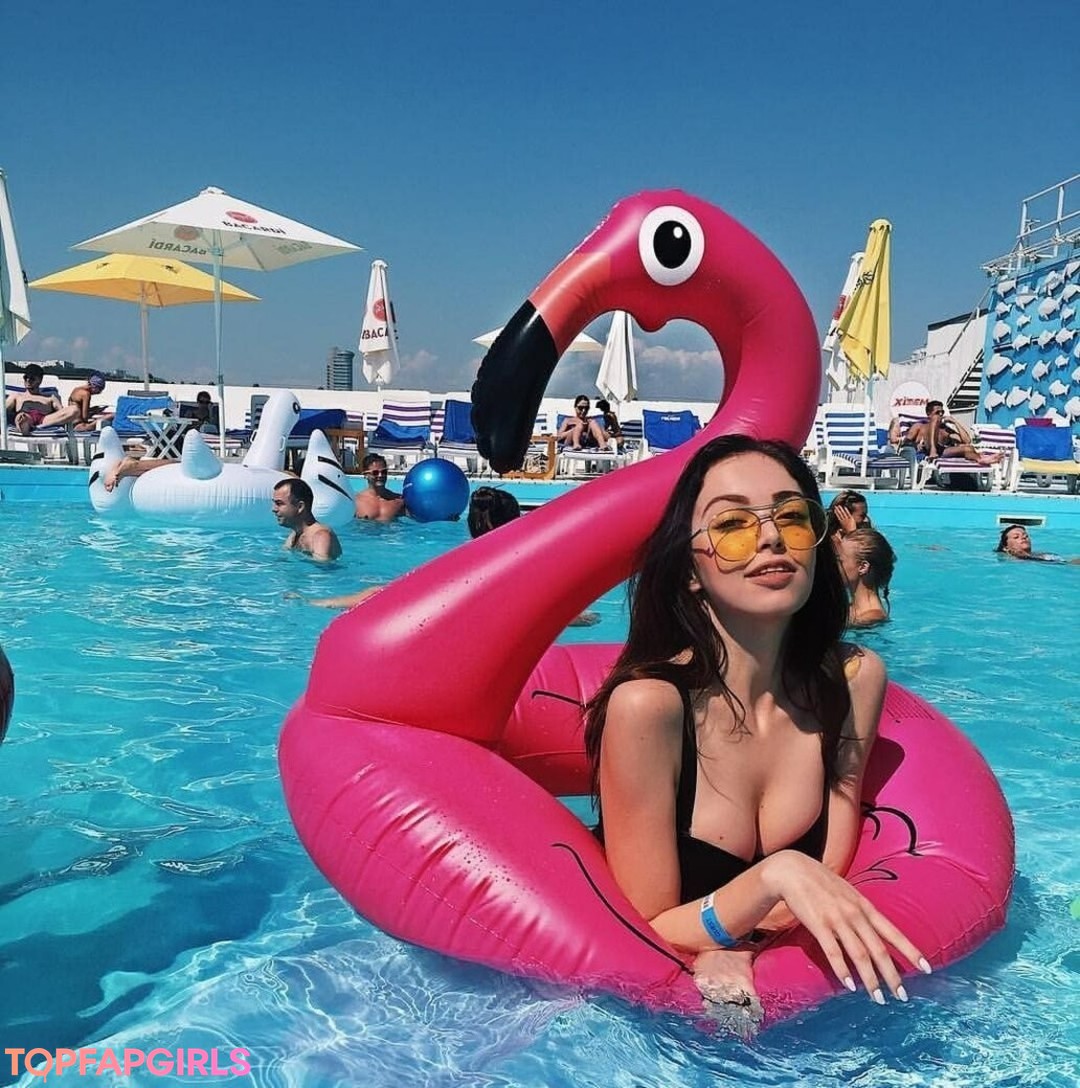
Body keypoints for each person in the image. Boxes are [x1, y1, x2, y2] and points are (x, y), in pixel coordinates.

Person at [583, 434, 929, 1025]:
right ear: (690, 570)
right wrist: (775, 876)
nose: (771, 537)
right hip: (636, 1022)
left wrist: (747, 941)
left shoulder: (854, 680)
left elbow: (834, 859)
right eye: (733, 525)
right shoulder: (649, 708)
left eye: (792, 517)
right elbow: (647, 923)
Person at [296, 486, 601, 623]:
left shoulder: (464, 562)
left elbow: (390, 594)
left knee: (385, 592)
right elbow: (538, 608)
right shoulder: (522, 564)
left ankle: (318, 603)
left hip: (448, 615)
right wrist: (580, 617)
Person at [898, 401, 1002, 466]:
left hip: (941, 452)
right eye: (937, 412)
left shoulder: (945, 429)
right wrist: (916, 445)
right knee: (935, 420)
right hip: (927, 450)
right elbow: (905, 442)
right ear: (929, 414)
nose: (940, 414)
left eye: (942, 412)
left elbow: (967, 441)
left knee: (968, 448)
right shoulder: (919, 426)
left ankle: (981, 459)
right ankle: (933, 450)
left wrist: (954, 421)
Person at [835, 528, 896, 627]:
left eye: (839, 561)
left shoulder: (871, 619)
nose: (833, 566)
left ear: (863, 567)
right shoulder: (848, 611)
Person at [272, 478, 342, 562]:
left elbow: (323, 569)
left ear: (300, 507)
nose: (274, 509)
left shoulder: (321, 536)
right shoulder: (295, 534)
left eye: (279, 503)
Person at [4, 365, 79, 434]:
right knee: (21, 417)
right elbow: (3, 410)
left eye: (32, 378)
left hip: (45, 420)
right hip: (26, 416)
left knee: (74, 409)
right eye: (25, 377)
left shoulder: (51, 397)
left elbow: (61, 412)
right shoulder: (16, 396)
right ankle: (25, 427)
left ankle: (37, 427)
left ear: (40, 380)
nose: (28, 380)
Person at [354, 453, 405, 521]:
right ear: (366, 475)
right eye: (375, 473)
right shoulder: (356, 502)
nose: (380, 475)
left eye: (384, 472)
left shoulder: (398, 501)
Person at [995, 524, 1080, 564]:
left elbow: (1065, 563)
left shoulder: (1042, 555)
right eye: (1016, 537)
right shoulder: (1011, 561)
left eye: (1026, 536)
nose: (1024, 538)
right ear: (1006, 547)